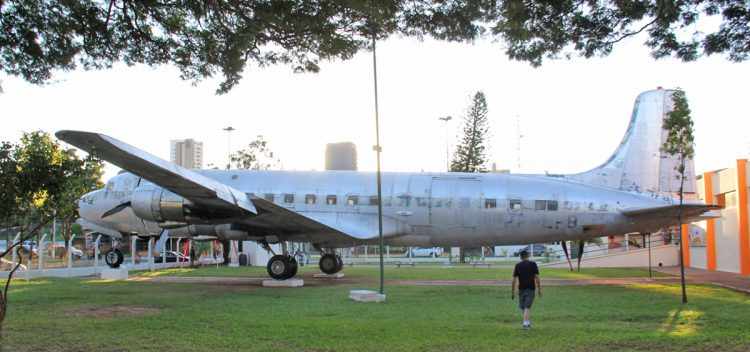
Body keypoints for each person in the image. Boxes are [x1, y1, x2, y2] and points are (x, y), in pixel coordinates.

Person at [511, 249, 541, 329]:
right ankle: (525, 324)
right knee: (526, 307)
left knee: (524, 307)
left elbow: (514, 280)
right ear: (527, 256)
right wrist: (539, 289)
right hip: (531, 288)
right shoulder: (533, 264)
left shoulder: (517, 265)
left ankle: (527, 323)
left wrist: (513, 292)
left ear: (520, 257)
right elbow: (537, 278)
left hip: (521, 289)